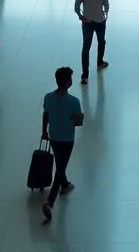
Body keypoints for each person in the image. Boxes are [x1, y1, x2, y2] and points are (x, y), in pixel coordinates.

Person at [40, 66, 85, 224]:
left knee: (60, 163)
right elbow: (78, 123)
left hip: (54, 136)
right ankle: (50, 202)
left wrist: (44, 131)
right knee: (60, 168)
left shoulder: (48, 97)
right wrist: (78, 118)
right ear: (67, 82)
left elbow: (46, 114)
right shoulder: (74, 102)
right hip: (67, 139)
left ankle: (65, 185)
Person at [75, 0, 110, 84]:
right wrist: (104, 15)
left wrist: (81, 16)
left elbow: (76, 7)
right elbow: (106, 6)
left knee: (86, 46)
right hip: (99, 22)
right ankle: (99, 61)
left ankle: (85, 75)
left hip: (87, 23)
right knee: (101, 41)